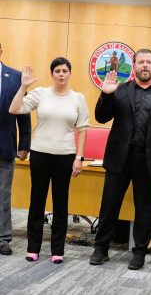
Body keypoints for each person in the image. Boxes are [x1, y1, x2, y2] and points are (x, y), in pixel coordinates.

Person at [89, 48, 151, 270]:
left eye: (149, 62)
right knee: (109, 205)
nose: (145, 66)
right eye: (141, 62)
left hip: (149, 161)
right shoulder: (119, 90)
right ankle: (101, 248)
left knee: (144, 208)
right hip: (119, 158)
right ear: (134, 65)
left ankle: (139, 252)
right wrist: (106, 94)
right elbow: (101, 117)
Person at [9, 57, 89, 264]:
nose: (61, 74)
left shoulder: (78, 98)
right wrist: (23, 87)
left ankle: (57, 250)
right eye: (57, 71)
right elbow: (14, 109)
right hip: (40, 154)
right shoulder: (41, 94)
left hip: (65, 155)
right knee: (37, 201)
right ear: (52, 74)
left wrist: (79, 157)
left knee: (60, 203)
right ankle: (33, 248)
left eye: (64, 71)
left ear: (70, 73)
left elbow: (82, 130)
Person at [0, 42, 31, 255]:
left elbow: (23, 113)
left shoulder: (16, 77)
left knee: (3, 194)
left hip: (5, 144)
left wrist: (24, 145)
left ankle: (2, 238)